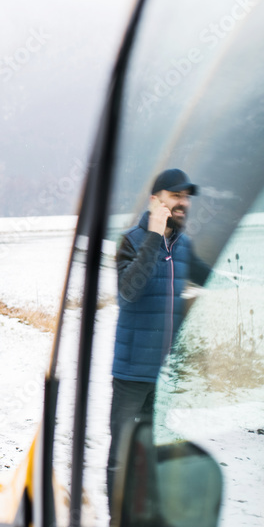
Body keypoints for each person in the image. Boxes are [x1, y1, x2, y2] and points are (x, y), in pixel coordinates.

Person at [107, 168, 210, 508]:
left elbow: (209, 277)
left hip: (163, 375)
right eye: (175, 195)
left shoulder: (185, 246)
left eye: (186, 197)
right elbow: (129, 292)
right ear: (156, 200)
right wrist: (154, 236)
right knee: (122, 454)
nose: (183, 203)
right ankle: (116, 524)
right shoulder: (131, 241)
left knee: (151, 452)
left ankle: (143, 522)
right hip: (131, 374)